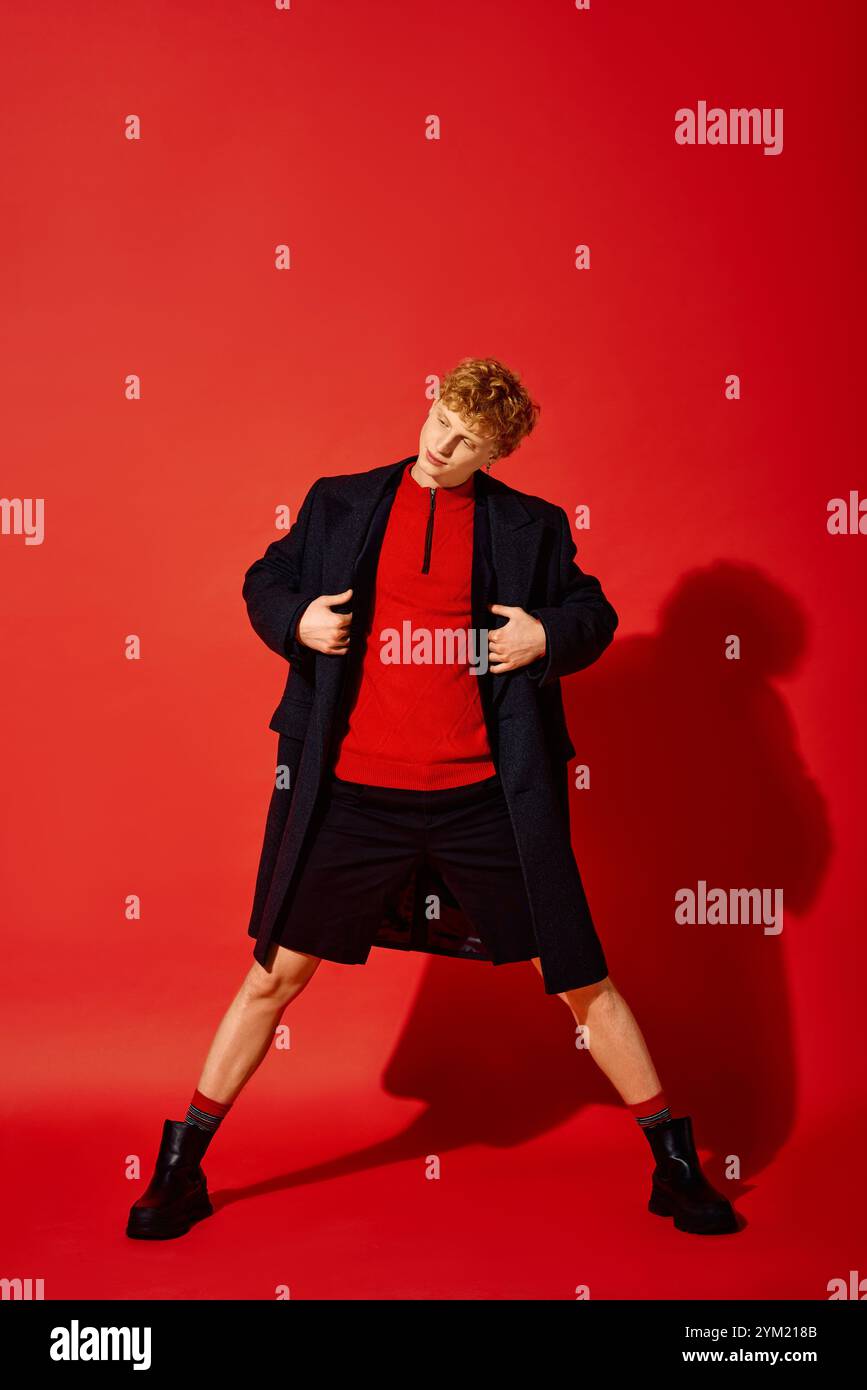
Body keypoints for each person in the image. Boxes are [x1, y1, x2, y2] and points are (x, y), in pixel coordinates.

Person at [127, 357, 739, 1241]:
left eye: (467, 442)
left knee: (579, 979)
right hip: (351, 797)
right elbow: (267, 577)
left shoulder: (529, 528)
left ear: (497, 452)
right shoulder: (340, 502)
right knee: (273, 976)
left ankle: (673, 1164)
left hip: (486, 799)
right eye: (441, 420)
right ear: (432, 400)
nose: (442, 445)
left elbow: (591, 614)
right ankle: (182, 1166)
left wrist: (545, 635)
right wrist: (294, 619)